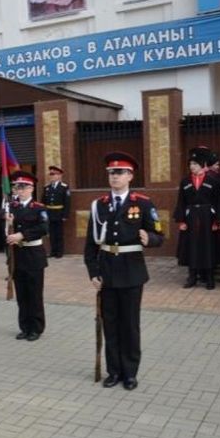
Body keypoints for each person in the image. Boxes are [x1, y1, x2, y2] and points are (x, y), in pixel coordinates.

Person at [84, 152, 164, 391]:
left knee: (129, 325)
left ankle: (130, 372)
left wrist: (149, 238)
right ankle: (114, 371)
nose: (114, 177)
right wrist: (93, 272)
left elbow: (160, 235)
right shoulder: (100, 205)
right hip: (107, 272)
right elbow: (90, 244)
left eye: (119, 173)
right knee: (110, 324)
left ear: (130, 175)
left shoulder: (143, 203)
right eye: (111, 173)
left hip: (131, 272)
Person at [1, 171, 49, 341]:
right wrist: (5, 217)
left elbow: (43, 228)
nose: (19, 190)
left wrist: (22, 235)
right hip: (17, 255)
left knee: (34, 294)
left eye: (22, 187)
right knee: (21, 294)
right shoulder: (11, 207)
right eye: (16, 187)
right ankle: (24, 327)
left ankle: (36, 328)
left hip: (33, 254)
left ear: (31, 188)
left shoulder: (38, 208)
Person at [174, 147, 220, 290]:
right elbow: (181, 202)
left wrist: (217, 220)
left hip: (208, 217)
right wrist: (181, 220)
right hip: (191, 218)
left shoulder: (213, 180)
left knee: (208, 246)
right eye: (190, 164)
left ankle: (209, 277)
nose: (192, 167)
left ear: (203, 165)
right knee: (192, 246)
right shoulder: (185, 181)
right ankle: (192, 276)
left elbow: (219, 202)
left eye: (195, 164)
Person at [42, 165, 70, 258]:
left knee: (59, 234)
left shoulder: (64, 187)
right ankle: (53, 251)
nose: (51, 176)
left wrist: (65, 215)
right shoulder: (47, 188)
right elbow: (43, 202)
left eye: (53, 174)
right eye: (50, 174)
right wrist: (43, 214)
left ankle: (59, 252)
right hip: (49, 213)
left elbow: (67, 202)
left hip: (59, 213)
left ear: (59, 175)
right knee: (51, 234)